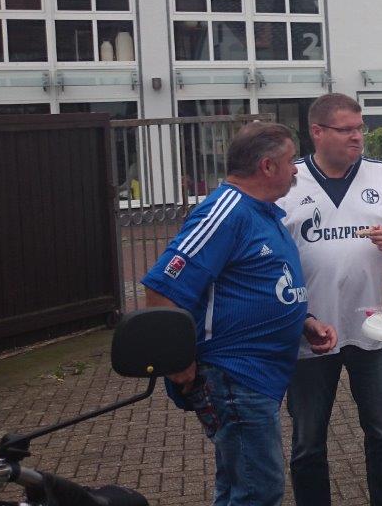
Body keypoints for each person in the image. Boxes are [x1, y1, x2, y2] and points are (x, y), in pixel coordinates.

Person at [141, 121, 338, 506]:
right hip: (234, 377)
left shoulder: (264, 212)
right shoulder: (225, 212)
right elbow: (161, 287)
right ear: (267, 166)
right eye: (289, 161)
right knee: (258, 490)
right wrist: (177, 360)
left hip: (256, 380)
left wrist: (303, 321)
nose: (296, 170)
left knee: (239, 486)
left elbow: (260, 284)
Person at [276, 93, 382, 506]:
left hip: (375, 328)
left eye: (359, 128)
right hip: (311, 331)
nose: (358, 137)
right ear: (317, 132)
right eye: (346, 129)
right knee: (308, 441)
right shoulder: (289, 181)